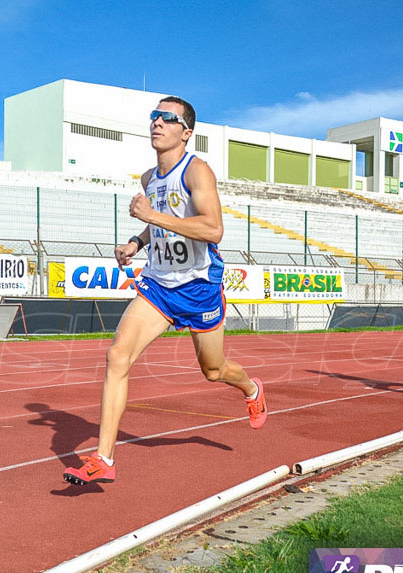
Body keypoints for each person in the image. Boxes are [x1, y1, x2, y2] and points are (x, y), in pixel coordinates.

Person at [63, 96, 267, 486]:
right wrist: (136, 244)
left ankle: (251, 387)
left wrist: (152, 216)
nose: (157, 122)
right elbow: (154, 227)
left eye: (167, 118)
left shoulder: (197, 172)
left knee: (213, 370)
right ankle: (104, 458)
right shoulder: (148, 179)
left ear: (186, 132)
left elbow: (213, 230)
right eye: (154, 116)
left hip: (198, 287)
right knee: (117, 355)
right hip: (158, 284)